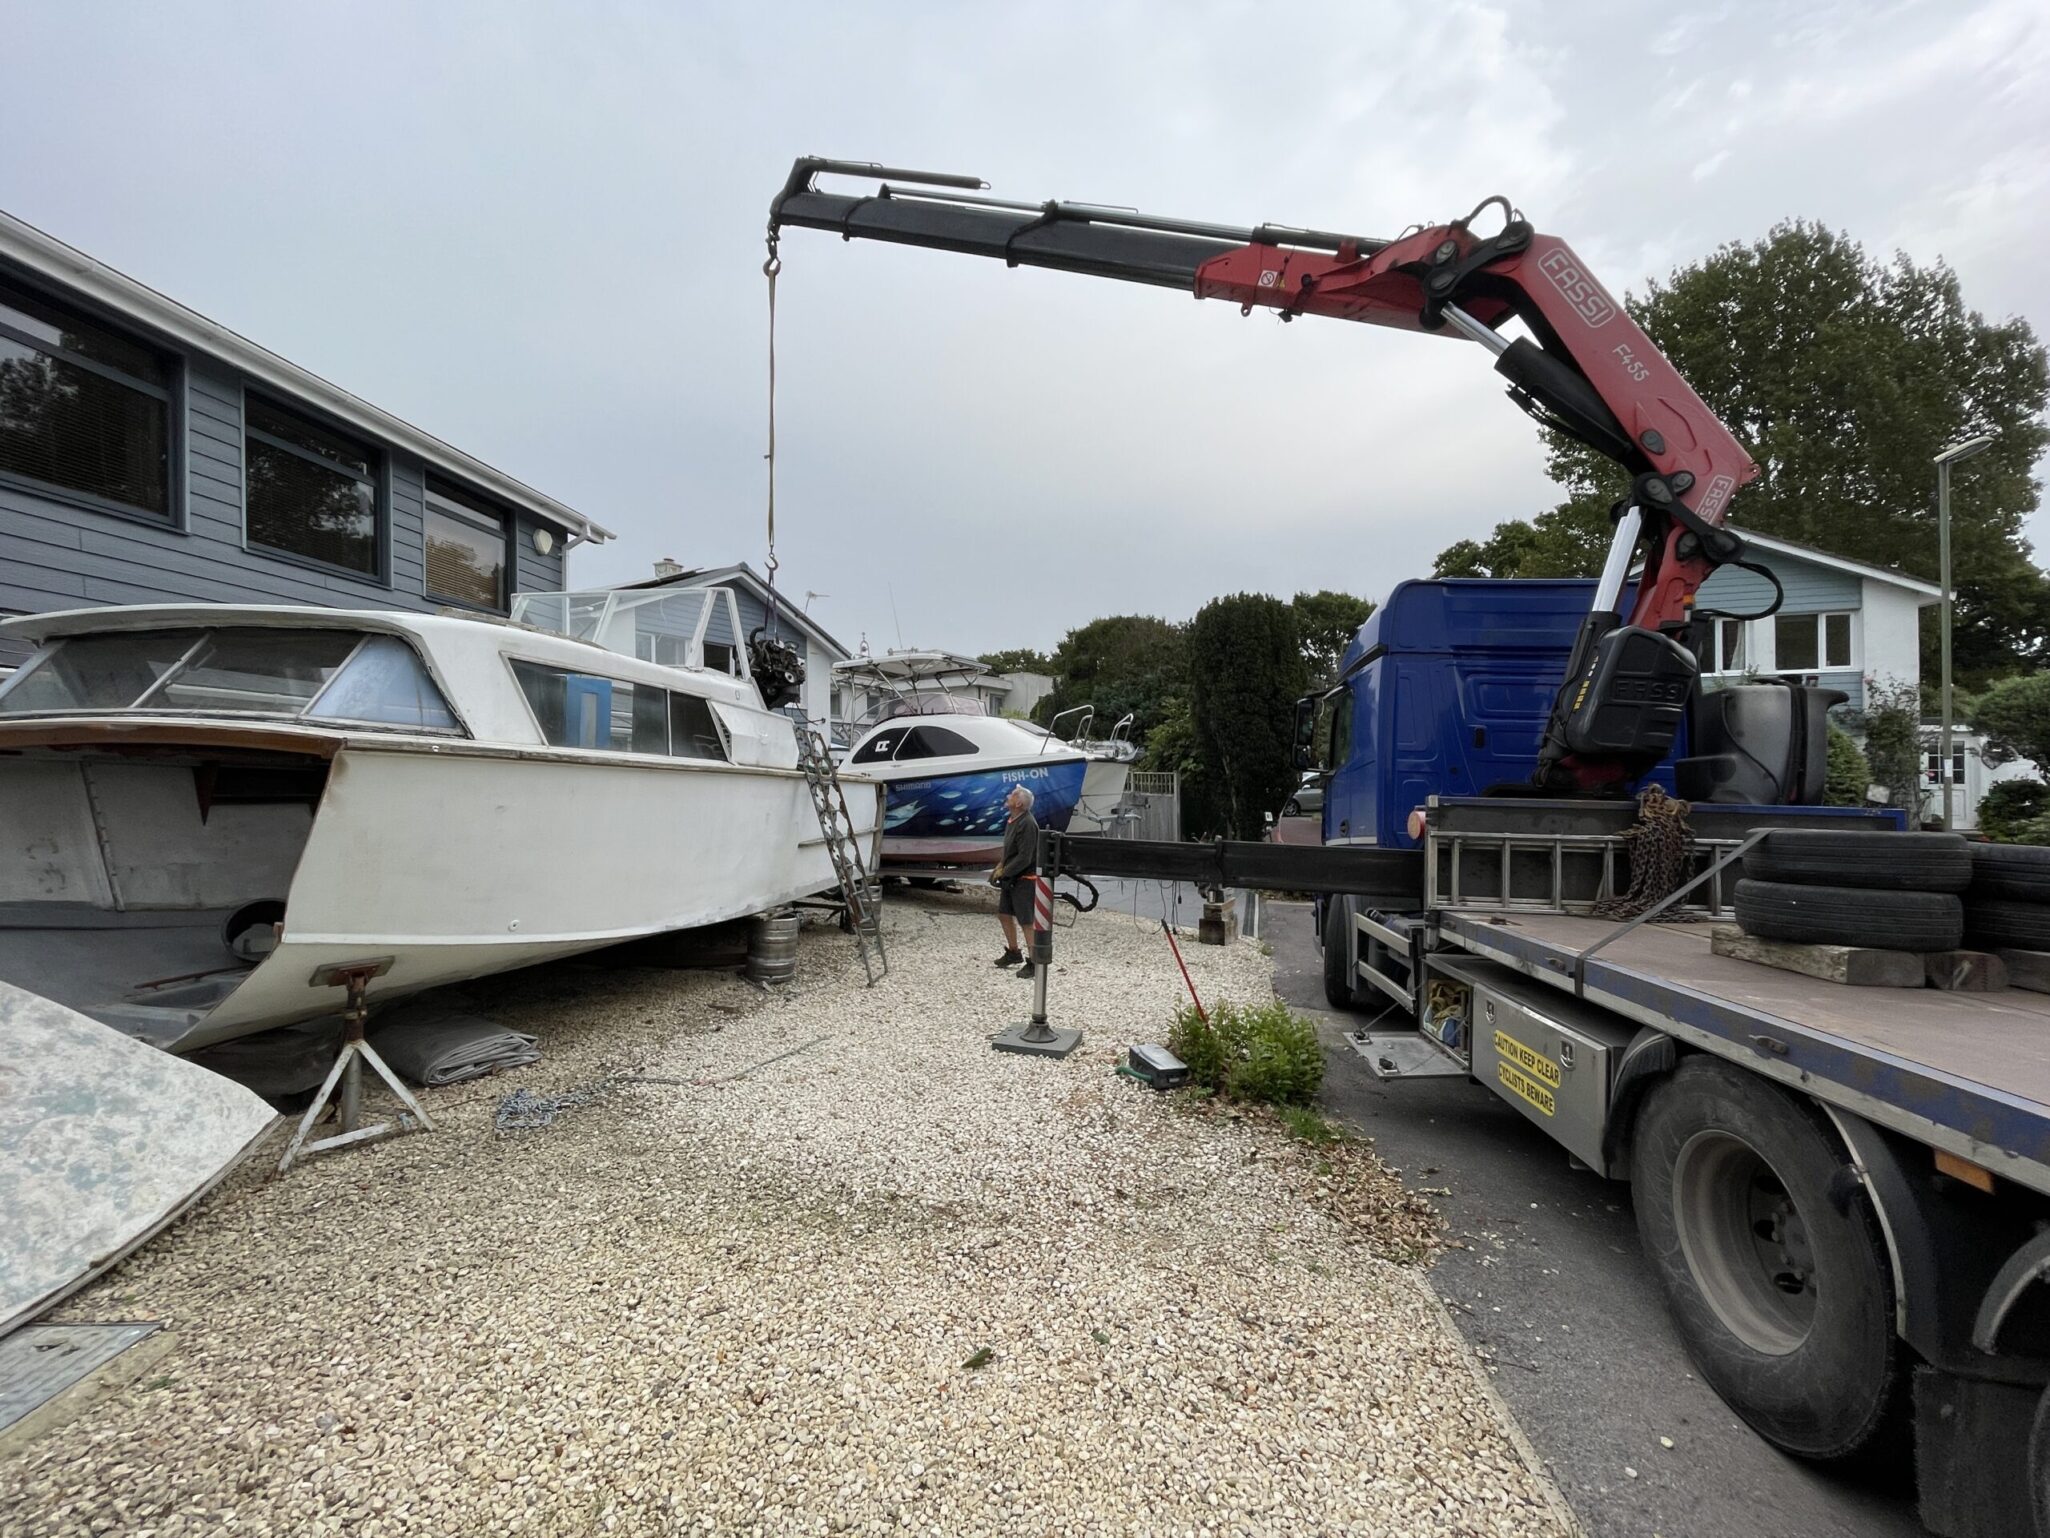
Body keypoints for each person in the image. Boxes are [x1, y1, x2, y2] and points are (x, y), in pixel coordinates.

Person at [989, 783, 1040, 975]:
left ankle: (1035, 961)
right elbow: (1010, 850)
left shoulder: (1027, 824)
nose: (1008, 796)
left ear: (1018, 803)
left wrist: (1005, 871)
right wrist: (999, 868)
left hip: (1025, 878)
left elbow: (1025, 856)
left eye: (1012, 795)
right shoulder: (1013, 820)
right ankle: (1013, 952)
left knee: (1026, 921)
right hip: (1012, 877)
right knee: (1004, 914)